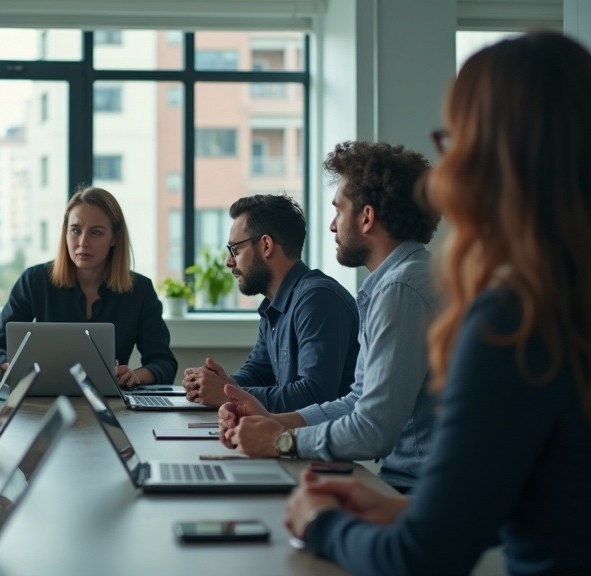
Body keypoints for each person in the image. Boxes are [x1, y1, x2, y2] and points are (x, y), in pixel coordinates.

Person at [285, 31, 591, 575]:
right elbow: (560, 498)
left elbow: (422, 558)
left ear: (491, 161)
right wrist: (408, 509)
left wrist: (320, 522)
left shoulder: (513, 321)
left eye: (452, 140)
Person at [219, 141, 439, 491]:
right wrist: (274, 421)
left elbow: (373, 430)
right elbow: (357, 400)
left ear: (366, 217)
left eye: (339, 210)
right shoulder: (397, 282)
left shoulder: (401, 290)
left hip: (421, 492)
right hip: (410, 484)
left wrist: (283, 441)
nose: (333, 226)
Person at [181, 194, 359, 411]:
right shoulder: (273, 305)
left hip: (329, 443)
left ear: (266, 245)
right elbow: (257, 372)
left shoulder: (318, 298)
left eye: (235, 250)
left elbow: (315, 395)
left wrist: (227, 394)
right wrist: (218, 384)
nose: (229, 262)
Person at [0, 186, 177, 386]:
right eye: (75, 230)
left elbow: (163, 363)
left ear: (114, 238)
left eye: (96, 233)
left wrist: (136, 376)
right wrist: (5, 365)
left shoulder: (140, 290)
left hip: (112, 404)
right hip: (40, 400)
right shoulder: (35, 280)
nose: (83, 242)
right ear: (65, 232)